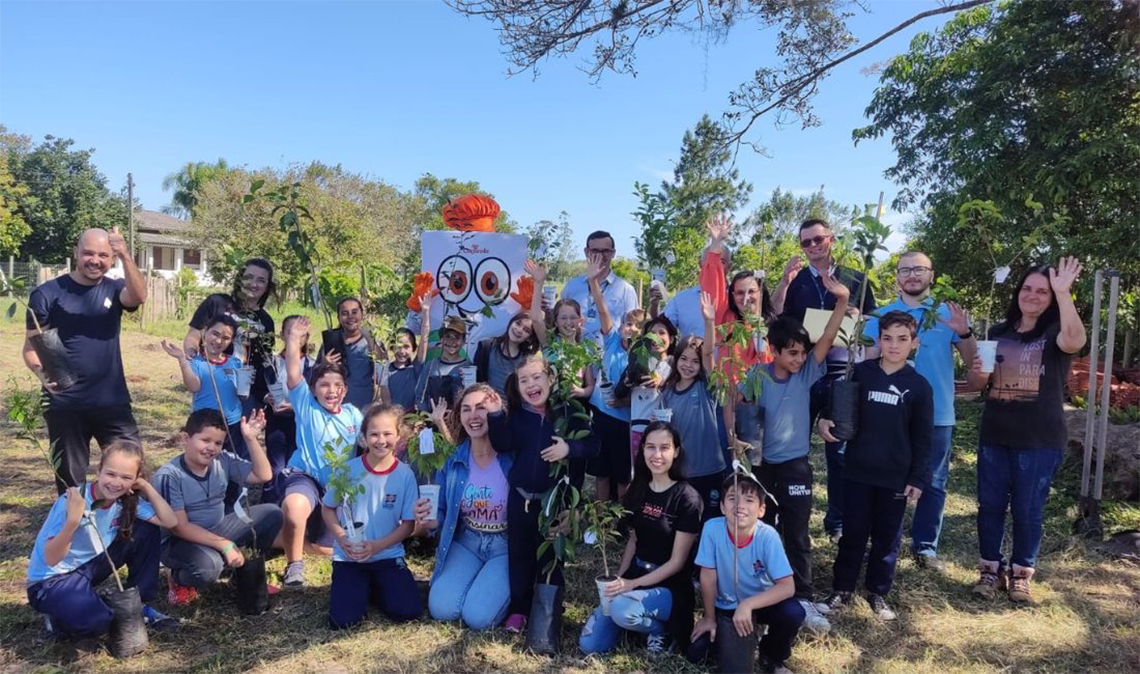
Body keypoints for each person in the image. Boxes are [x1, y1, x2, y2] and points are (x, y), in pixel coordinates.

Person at [963, 258, 1085, 603]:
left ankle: (1020, 574)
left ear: (1051, 298)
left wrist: (1064, 294)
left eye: (1042, 291)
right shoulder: (998, 333)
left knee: (1028, 509)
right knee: (989, 505)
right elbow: (977, 383)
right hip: (995, 434)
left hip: (1040, 439)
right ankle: (989, 571)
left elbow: (1076, 341)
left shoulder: (1055, 334)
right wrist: (977, 371)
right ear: (1018, 293)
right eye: (1027, 288)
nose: (1033, 296)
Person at [862, 251, 977, 572]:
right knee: (885, 477)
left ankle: (925, 546)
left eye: (919, 269)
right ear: (896, 276)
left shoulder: (946, 314)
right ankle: (883, 540)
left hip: (937, 412)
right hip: (887, 412)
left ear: (931, 274)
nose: (912, 275)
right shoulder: (879, 316)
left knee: (934, 480)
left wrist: (965, 332)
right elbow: (869, 365)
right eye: (905, 270)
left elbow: (971, 361)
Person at [817, 311, 934, 621]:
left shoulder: (920, 387)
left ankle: (878, 592)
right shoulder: (861, 373)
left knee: (887, 537)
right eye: (887, 338)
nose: (894, 345)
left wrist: (918, 478)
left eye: (902, 339)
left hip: (895, 477)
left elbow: (923, 438)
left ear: (914, 343)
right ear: (878, 340)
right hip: (857, 471)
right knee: (853, 532)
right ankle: (841, 588)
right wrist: (825, 422)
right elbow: (838, 412)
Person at [750, 272, 850, 634]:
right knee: (761, 531)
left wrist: (841, 300)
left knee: (796, 533)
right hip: (761, 469)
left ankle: (803, 597)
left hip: (794, 467)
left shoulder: (806, 373)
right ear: (774, 351)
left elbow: (826, 337)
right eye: (792, 352)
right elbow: (741, 411)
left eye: (802, 352)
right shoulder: (756, 376)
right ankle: (761, 594)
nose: (799, 358)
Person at [772, 218, 877, 541]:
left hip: (842, 372)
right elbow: (777, 316)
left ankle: (837, 521)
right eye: (806, 242)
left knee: (839, 450)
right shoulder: (799, 280)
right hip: (804, 372)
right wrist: (784, 282)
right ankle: (787, 510)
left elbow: (871, 319)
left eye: (818, 239)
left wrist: (857, 315)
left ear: (831, 239)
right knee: (792, 445)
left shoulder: (855, 278)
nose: (813, 246)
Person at [23, 227, 147, 492]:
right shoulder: (47, 294)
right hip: (65, 404)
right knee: (71, 484)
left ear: (111, 259)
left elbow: (139, 297)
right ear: (76, 253)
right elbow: (31, 347)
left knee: (131, 472)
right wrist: (40, 373)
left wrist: (125, 254)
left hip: (111, 401)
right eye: (88, 253)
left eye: (104, 255)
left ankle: (125, 530)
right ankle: (75, 529)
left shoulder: (115, 289)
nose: (95, 260)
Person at [487, 353, 599, 633]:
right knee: (520, 556)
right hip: (521, 499)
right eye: (524, 380)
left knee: (550, 558)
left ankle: (548, 610)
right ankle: (519, 609)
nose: (531, 384)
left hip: (553, 502)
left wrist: (569, 449)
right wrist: (494, 414)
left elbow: (594, 445)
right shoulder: (516, 416)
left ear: (551, 379)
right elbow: (502, 444)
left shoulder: (567, 413)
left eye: (537, 377)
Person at [27, 441, 179, 639]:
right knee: (97, 623)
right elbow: (52, 559)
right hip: (51, 580)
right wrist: (73, 521)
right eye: (111, 474)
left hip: (88, 567)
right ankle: (58, 619)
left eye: (126, 477)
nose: (116, 483)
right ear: (99, 470)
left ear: (134, 480)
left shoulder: (123, 500)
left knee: (146, 528)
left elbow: (169, 521)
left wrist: (146, 487)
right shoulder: (73, 500)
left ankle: (139, 605)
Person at [579, 422, 703, 656]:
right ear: (642, 449)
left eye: (665, 448)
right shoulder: (637, 490)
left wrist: (632, 585)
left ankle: (660, 630)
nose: (657, 455)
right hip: (636, 574)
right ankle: (637, 620)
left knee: (622, 610)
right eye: (650, 447)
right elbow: (634, 541)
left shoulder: (687, 498)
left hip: (670, 586)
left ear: (676, 451)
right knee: (590, 644)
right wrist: (620, 578)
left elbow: (677, 562)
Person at [155, 409, 282, 606]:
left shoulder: (223, 460)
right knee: (209, 567)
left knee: (272, 514)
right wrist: (225, 544)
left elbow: (263, 475)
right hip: (179, 541)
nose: (211, 448)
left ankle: (242, 577)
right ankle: (179, 579)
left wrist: (250, 439)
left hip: (217, 528)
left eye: (218, 443)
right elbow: (179, 527)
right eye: (205, 440)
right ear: (185, 439)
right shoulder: (169, 475)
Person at [415, 384, 513, 630]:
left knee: (478, 618)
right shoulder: (454, 459)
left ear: (496, 411)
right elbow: (442, 510)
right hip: (466, 540)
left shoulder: (513, 457)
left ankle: (503, 589)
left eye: (482, 408)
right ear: (459, 417)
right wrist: (429, 522)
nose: (474, 416)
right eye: (466, 410)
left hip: (505, 545)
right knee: (441, 609)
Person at [688, 471, 805, 674]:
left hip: (762, 601)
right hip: (726, 604)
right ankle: (736, 637)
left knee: (793, 613)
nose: (740, 506)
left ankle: (772, 655)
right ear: (723, 506)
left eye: (749, 500)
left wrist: (748, 605)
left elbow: (787, 587)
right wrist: (709, 617)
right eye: (733, 498)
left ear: (761, 510)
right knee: (697, 653)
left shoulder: (768, 536)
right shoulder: (711, 529)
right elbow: (707, 577)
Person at [278, 316, 363, 589]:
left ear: (345, 390)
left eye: (338, 386)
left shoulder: (353, 414)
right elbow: (293, 374)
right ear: (313, 389)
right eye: (325, 385)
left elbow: (370, 443)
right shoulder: (306, 407)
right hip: (307, 477)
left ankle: (293, 540)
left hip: (339, 487)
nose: (332, 391)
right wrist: (293, 338)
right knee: (294, 509)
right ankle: (294, 565)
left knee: (331, 545)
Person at [322, 404, 422, 629]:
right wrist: (341, 536)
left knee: (408, 611)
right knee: (343, 621)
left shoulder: (405, 474)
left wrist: (378, 546)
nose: (381, 440)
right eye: (374, 434)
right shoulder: (348, 470)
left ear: (399, 436)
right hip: (350, 557)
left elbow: (407, 525)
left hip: (387, 555)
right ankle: (359, 585)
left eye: (387, 433)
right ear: (364, 437)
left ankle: (377, 587)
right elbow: (327, 508)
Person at [659, 292, 727, 515]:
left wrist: (709, 321)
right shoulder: (667, 392)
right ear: (675, 359)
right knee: (685, 521)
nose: (688, 365)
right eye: (684, 359)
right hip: (681, 472)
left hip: (710, 469)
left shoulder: (706, 386)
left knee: (709, 520)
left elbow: (708, 352)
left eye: (695, 361)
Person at [183, 258, 277, 417]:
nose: (254, 284)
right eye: (249, 277)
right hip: (212, 385)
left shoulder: (266, 321)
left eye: (261, 280)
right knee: (210, 438)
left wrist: (266, 394)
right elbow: (193, 335)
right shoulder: (217, 303)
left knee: (238, 439)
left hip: (247, 393)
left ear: (267, 286)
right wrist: (192, 360)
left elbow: (264, 363)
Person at [585, 269, 644, 502]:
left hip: (624, 421)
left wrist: (622, 401)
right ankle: (600, 523)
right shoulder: (611, 342)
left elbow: (644, 395)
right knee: (601, 474)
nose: (631, 329)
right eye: (628, 323)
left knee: (623, 478)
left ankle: (622, 522)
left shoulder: (643, 357)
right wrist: (593, 280)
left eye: (637, 326)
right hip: (600, 415)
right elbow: (602, 309)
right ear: (621, 326)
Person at [161, 315, 248, 458]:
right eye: (215, 334)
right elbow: (194, 387)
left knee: (233, 462)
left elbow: (241, 394)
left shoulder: (235, 363)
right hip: (205, 425)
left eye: (226, 338)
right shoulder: (195, 362)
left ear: (231, 341)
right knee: (205, 462)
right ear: (205, 332)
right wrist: (182, 360)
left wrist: (246, 385)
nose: (219, 341)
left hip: (232, 423)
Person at [261, 315, 315, 505]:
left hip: (300, 423)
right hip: (276, 420)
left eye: (300, 334)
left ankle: (291, 504)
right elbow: (259, 387)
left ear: (306, 336)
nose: (295, 337)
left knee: (294, 465)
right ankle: (270, 506)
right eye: (290, 332)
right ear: (282, 335)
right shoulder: (271, 362)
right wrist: (266, 398)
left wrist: (295, 406)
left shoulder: (312, 364)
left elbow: (315, 397)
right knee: (275, 466)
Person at [559, 230, 639, 345]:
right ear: (587, 252)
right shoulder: (572, 286)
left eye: (606, 251)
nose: (600, 255)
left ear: (613, 253)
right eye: (595, 250)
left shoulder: (625, 290)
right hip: (574, 356)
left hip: (609, 357)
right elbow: (558, 321)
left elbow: (633, 329)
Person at [616, 315, 676, 457]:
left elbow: (679, 385)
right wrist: (627, 382)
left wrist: (663, 381)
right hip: (638, 428)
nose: (656, 337)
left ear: (671, 339)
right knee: (639, 473)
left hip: (663, 430)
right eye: (652, 333)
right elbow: (618, 392)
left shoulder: (674, 363)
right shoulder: (638, 363)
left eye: (661, 333)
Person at [317, 297, 386, 410]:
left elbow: (384, 367)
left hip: (363, 407)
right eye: (345, 313)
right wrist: (324, 364)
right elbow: (315, 373)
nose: (350, 317)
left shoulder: (372, 340)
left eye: (354, 312)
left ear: (362, 315)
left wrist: (370, 339)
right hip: (335, 407)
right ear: (338, 318)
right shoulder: (331, 341)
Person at [415, 308, 472, 412]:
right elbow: (420, 396)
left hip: (460, 424)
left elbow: (473, 399)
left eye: (457, 337)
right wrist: (429, 417)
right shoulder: (430, 366)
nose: (452, 341)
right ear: (441, 339)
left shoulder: (469, 367)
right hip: (433, 422)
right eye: (448, 336)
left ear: (463, 341)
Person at [472, 311, 538, 397]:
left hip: (515, 408)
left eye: (526, 330)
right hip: (487, 405)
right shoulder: (486, 347)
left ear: (528, 338)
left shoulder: (527, 358)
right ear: (511, 323)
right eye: (518, 323)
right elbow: (476, 380)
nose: (519, 330)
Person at [379, 328, 419, 411]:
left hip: (411, 418)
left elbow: (424, 341)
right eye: (398, 346)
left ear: (414, 348)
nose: (401, 351)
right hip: (392, 416)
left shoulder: (415, 368)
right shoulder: (386, 369)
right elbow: (386, 401)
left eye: (406, 347)